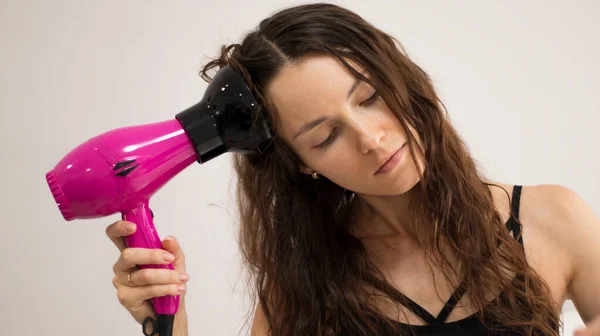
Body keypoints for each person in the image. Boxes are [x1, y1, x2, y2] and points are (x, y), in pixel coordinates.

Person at [105, 3, 600, 336]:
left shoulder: (550, 217)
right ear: (303, 164)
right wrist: (169, 324)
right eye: (325, 136)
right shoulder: (301, 286)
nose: (370, 138)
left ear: (401, 81)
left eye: (370, 97)